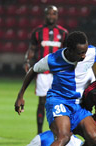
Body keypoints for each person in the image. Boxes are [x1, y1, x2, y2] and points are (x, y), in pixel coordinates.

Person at [23, 5, 68, 134]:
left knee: (59, 102)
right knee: (42, 102)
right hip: (43, 73)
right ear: (45, 15)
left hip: (58, 74)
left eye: (53, 14)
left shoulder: (63, 33)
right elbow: (31, 49)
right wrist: (27, 60)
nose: (51, 16)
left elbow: (68, 52)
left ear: (57, 15)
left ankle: (60, 130)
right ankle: (39, 132)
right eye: (49, 14)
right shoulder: (37, 32)